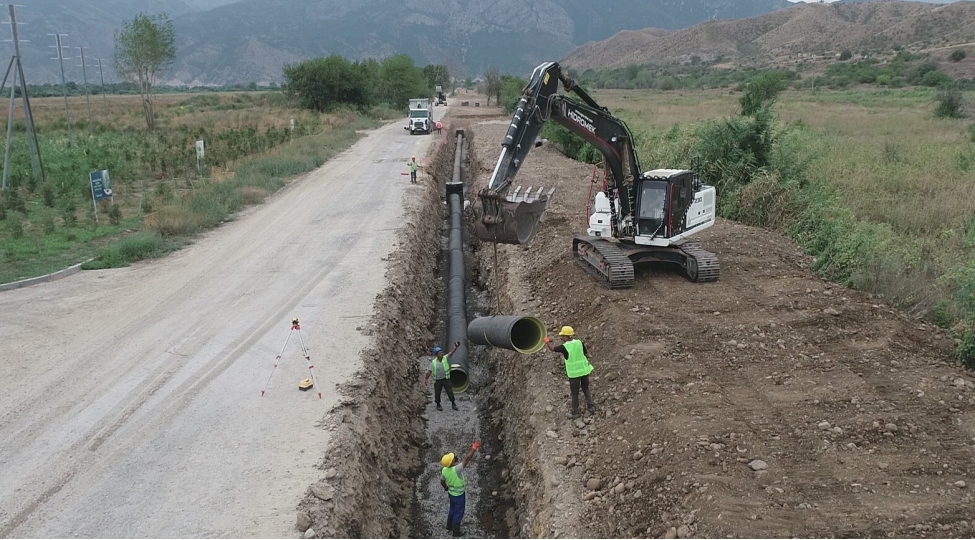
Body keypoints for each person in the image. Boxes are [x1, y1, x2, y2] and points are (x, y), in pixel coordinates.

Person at [544, 326, 595, 419]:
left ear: (567, 336)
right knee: (586, 388)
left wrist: (547, 341)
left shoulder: (565, 347)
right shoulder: (579, 342)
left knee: (575, 393)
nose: (561, 337)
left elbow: (553, 349)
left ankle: (575, 412)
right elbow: (587, 354)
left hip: (574, 374)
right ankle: (591, 407)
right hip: (584, 371)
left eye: (562, 336)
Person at [440, 440, 480, 537]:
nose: (454, 458)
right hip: (459, 496)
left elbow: (442, 481)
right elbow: (467, 459)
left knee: (452, 509)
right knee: (459, 512)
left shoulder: (444, 470)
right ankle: (456, 531)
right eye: (453, 458)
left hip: (451, 494)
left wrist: (446, 487)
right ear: (452, 462)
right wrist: (474, 448)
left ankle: (448, 526)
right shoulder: (457, 469)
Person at [424, 341, 460, 411]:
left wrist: (455, 347)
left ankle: (453, 403)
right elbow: (429, 371)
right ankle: (438, 404)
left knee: (450, 392)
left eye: (442, 352)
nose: (442, 354)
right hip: (438, 381)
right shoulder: (433, 362)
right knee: (437, 393)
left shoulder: (445, 358)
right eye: (440, 353)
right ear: (436, 355)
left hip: (446, 379)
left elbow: (451, 353)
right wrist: (426, 379)